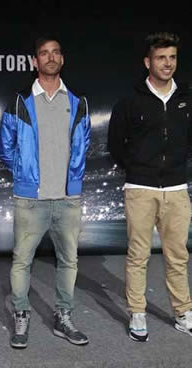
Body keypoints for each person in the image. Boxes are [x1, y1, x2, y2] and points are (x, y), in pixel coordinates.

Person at [0, 35, 91, 349]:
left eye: (55, 53)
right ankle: (21, 315)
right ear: (34, 62)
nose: (50, 57)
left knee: (69, 262)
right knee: (22, 261)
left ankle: (63, 318)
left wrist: (71, 182)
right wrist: (25, 175)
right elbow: (5, 148)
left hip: (68, 199)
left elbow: (83, 146)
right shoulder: (20, 101)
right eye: (43, 53)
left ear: (62, 59)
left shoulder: (78, 103)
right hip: (30, 200)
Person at [108, 32, 192, 342]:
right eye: (161, 58)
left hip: (177, 190)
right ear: (148, 62)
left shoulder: (186, 97)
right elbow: (116, 144)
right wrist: (137, 169)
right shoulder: (130, 101)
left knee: (178, 256)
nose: (168, 63)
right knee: (138, 255)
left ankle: (183, 312)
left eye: (172, 57)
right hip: (140, 189)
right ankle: (138, 313)